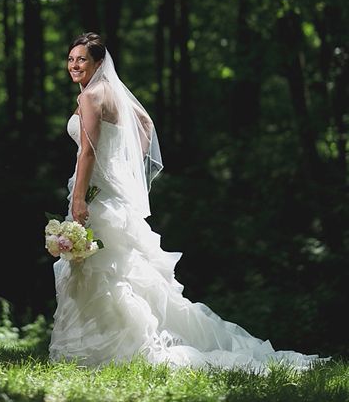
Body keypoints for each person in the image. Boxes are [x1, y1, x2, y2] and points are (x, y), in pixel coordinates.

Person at [50, 32, 323, 371]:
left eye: (82, 60)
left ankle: (112, 347)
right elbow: (145, 123)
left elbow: (88, 150)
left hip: (96, 196)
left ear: (98, 64)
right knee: (113, 269)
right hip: (109, 194)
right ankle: (103, 343)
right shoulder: (110, 93)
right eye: (71, 59)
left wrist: (79, 199)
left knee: (103, 270)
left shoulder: (92, 96)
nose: (74, 65)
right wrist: (124, 163)